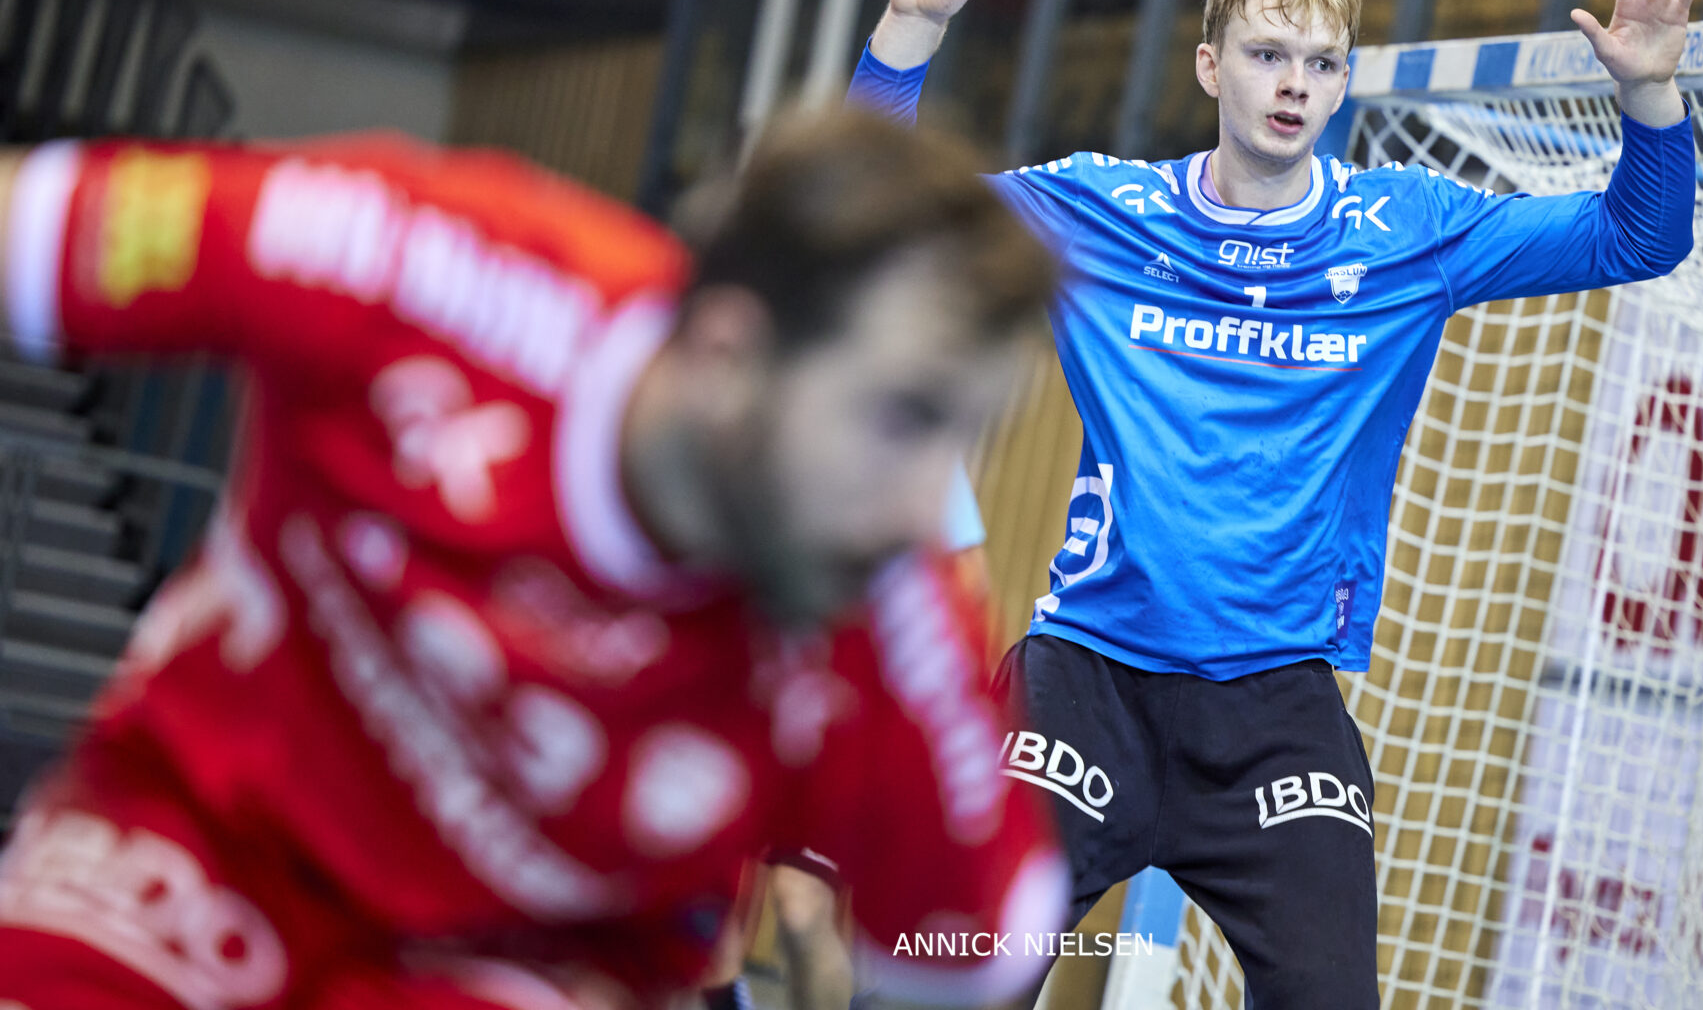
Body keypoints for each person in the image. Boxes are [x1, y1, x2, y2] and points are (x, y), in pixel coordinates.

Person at [850, 0, 1702, 1006]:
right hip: (1086, 686)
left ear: (1343, 80)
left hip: (1274, 713)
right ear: (1210, 66)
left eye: (1321, 62)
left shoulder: (1407, 233)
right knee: (930, 978)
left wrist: (1649, 95)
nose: (1294, 84)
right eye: (1266, 54)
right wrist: (908, 31)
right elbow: (872, 213)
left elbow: (1637, 238)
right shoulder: (1103, 213)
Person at [0, 109, 1068, 1008]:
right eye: (902, 418)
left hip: (509, 968)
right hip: (203, 836)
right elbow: (32, 226)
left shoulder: (889, 615)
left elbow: (981, 946)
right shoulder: (411, 261)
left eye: (963, 433)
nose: (923, 506)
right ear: (727, 353)